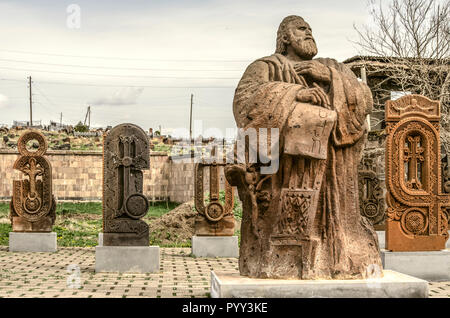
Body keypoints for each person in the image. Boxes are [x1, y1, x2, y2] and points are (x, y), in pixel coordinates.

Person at [226, 15, 381, 279]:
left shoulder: (331, 66)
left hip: (334, 171)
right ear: (285, 37)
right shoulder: (266, 67)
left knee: (339, 229)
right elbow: (244, 103)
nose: (309, 32)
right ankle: (282, 262)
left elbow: (365, 99)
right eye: (301, 28)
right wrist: (294, 93)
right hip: (285, 171)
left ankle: (337, 260)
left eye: (310, 28)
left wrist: (331, 78)